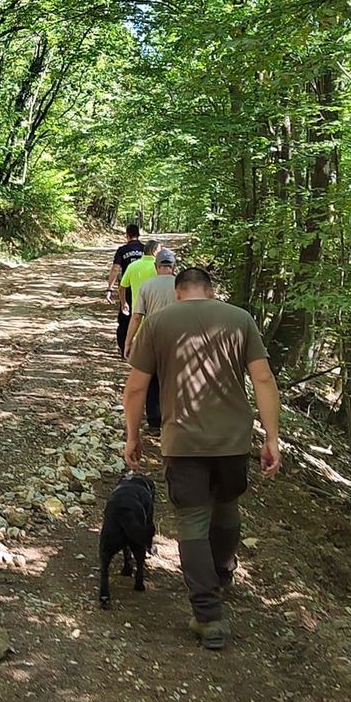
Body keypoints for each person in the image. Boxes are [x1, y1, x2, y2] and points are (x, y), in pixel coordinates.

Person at [121, 267, 281, 651]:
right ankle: (222, 574)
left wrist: (133, 435)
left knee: (192, 520)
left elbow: (136, 386)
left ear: (177, 294)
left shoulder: (158, 323)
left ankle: (208, 618)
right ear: (212, 292)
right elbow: (263, 379)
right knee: (226, 508)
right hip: (232, 441)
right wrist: (272, 437)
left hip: (183, 440)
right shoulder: (239, 318)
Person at [124, 248, 179, 428]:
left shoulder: (147, 286)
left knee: (152, 380)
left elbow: (137, 316)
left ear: (156, 267)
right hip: (178, 340)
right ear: (173, 267)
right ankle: (172, 420)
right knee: (173, 380)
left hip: (152, 339)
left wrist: (128, 341)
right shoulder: (181, 286)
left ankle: (154, 421)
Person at [116, 238, 163, 353]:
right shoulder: (158, 268)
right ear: (154, 251)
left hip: (137, 310)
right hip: (156, 310)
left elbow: (122, 287)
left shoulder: (133, 266)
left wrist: (124, 303)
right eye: (160, 251)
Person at [106, 225, 147, 354]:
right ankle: (143, 350)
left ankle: (124, 348)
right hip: (146, 288)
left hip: (127, 287)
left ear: (127, 235)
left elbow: (115, 269)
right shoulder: (146, 249)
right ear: (138, 234)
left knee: (125, 316)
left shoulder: (122, 250)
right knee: (145, 318)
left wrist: (109, 288)